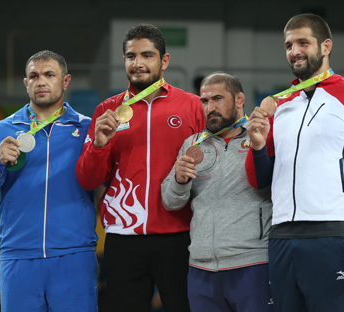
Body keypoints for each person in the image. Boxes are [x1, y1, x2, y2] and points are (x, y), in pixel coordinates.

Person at [245, 13, 344, 312]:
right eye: (289, 45)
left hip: (334, 234)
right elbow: (259, 181)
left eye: (303, 42)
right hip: (282, 236)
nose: (294, 51)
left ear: (326, 46)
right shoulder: (280, 104)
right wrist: (258, 147)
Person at [76, 24, 206, 312]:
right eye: (130, 56)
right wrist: (98, 145)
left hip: (179, 235)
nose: (137, 63)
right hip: (124, 238)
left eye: (147, 55)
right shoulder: (106, 111)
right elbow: (88, 180)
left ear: (164, 61)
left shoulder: (193, 107)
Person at [0, 50, 98, 312]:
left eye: (50, 75)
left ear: (66, 81)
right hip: (19, 255)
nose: (41, 81)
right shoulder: (3, 129)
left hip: (74, 255)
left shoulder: (87, 129)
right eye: (34, 76)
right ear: (26, 84)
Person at [161, 72, 273, 312]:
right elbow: (170, 202)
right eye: (204, 101)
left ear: (239, 99)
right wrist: (179, 180)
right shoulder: (193, 144)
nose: (210, 107)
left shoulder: (264, 137)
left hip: (252, 263)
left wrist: (259, 146)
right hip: (201, 269)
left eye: (217, 99)